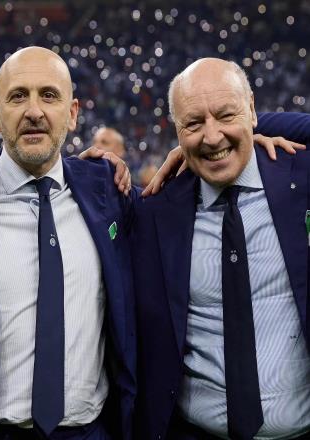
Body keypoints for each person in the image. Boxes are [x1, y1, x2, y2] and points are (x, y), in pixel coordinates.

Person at [0, 46, 137, 440]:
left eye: (49, 96)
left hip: (89, 432)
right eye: (18, 96)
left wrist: (217, 146)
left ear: (72, 113)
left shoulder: (107, 191)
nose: (34, 111)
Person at [132, 58, 310, 439]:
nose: (212, 138)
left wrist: (255, 127)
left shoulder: (301, 178)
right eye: (193, 124)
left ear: (251, 108)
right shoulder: (155, 212)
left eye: (226, 114)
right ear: (176, 132)